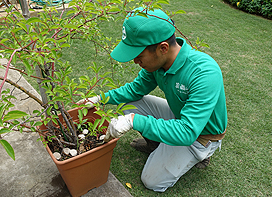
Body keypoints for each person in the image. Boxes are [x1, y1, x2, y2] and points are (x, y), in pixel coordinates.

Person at [79, 7, 227, 192]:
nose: (135, 61)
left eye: (139, 56)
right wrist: (100, 98)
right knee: (127, 104)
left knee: (152, 181)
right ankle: (158, 143)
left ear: (162, 48)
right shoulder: (157, 65)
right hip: (179, 115)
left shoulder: (204, 72)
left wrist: (134, 121)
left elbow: (188, 131)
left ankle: (201, 155)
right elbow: (135, 90)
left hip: (200, 134)